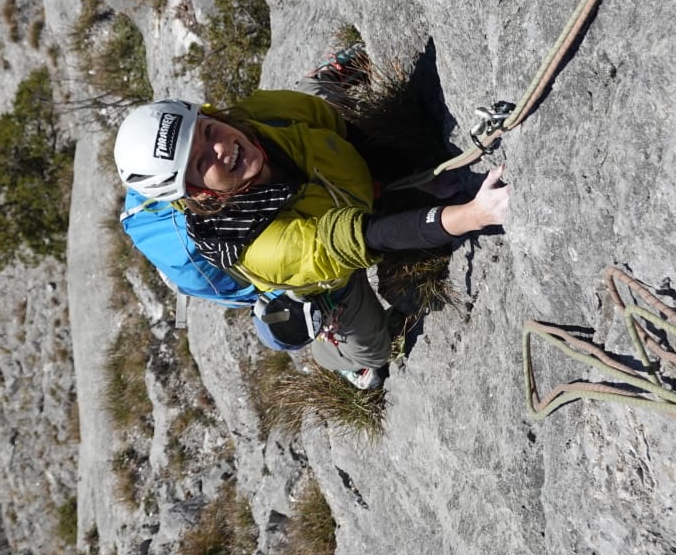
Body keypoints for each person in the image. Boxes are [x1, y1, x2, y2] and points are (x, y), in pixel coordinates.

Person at [113, 84, 509, 390]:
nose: (222, 147)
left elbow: (340, 129)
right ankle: (331, 352)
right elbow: (357, 239)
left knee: (320, 112)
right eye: (201, 162)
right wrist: (472, 215)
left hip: (339, 197)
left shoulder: (264, 115)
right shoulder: (259, 247)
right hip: (321, 272)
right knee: (373, 349)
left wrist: (413, 177)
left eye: (207, 130)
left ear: (211, 114)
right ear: (199, 193)